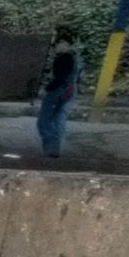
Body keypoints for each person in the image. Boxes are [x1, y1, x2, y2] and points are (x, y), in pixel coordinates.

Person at [38, 26, 81, 159]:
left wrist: (47, 89)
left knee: (44, 121)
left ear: (64, 44)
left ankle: (50, 147)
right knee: (58, 119)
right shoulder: (74, 58)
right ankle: (54, 149)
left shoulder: (65, 58)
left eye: (57, 44)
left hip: (58, 91)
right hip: (68, 91)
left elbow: (60, 77)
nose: (55, 47)